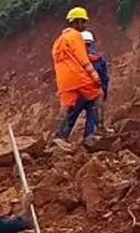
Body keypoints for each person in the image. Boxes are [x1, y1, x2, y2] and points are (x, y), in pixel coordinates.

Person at [53, 8, 103, 142]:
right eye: (83, 22)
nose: (84, 25)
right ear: (77, 22)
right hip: (78, 76)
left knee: (65, 107)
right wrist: (94, 75)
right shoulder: (75, 36)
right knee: (98, 95)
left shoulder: (58, 41)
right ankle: (98, 130)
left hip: (64, 80)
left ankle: (59, 137)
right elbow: (82, 58)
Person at [83, 30, 110, 126]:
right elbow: (104, 77)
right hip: (91, 90)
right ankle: (96, 130)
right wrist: (104, 91)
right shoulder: (97, 59)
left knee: (92, 111)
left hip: (80, 91)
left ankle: (63, 135)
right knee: (94, 111)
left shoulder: (74, 59)